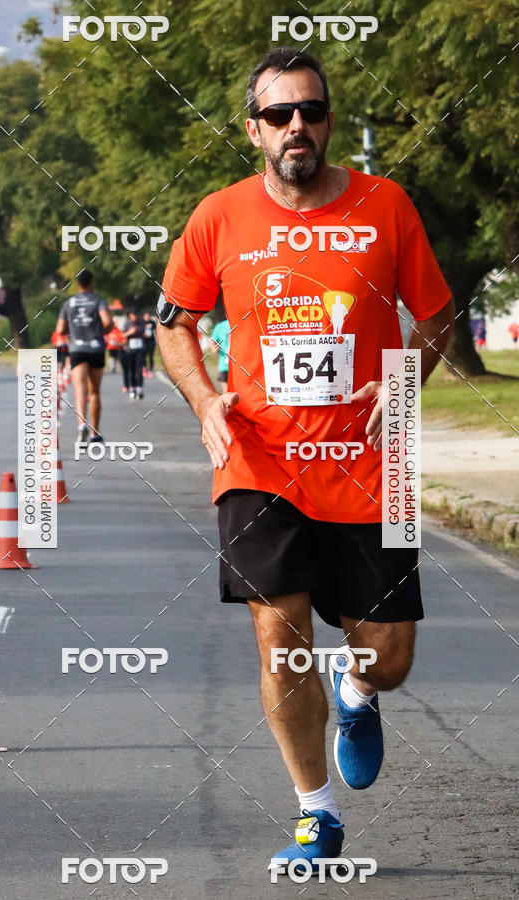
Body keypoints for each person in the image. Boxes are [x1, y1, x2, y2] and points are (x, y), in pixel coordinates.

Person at [156, 47, 455, 875]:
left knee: (389, 657)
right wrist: (205, 399)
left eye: (311, 112)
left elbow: (436, 316)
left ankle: (357, 695)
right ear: (254, 130)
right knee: (278, 636)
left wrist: (404, 380)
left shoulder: (385, 206)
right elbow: (175, 324)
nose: (298, 126)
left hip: (372, 463)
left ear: (327, 122)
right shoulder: (218, 216)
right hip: (260, 462)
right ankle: (315, 813)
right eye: (280, 114)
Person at [55, 270, 112, 443]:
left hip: (77, 349)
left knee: (80, 390)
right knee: (94, 392)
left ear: (78, 284)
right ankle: (95, 433)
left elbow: (60, 329)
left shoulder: (69, 303)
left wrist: (71, 330)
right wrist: (101, 331)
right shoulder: (98, 301)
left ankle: (81, 426)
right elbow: (108, 322)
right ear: (91, 282)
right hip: (96, 349)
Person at [123, 307, 145, 400]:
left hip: (139, 349)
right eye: (133, 315)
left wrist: (137, 331)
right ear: (130, 316)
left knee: (138, 369)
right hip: (129, 350)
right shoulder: (127, 323)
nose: (134, 317)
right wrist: (130, 332)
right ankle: (132, 389)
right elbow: (122, 335)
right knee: (131, 370)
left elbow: (143, 332)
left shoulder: (141, 322)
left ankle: (139, 388)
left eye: (136, 315)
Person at [210, 318, 231, 393]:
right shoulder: (220, 326)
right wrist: (214, 348)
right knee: (226, 391)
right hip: (224, 365)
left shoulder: (240, 323)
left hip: (238, 364)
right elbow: (212, 342)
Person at [143, 311, 157, 377]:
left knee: (151, 356)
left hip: (151, 341)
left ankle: (151, 371)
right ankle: (144, 369)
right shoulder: (142, 322)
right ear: (144, 317)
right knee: (143, 356)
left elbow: (155, 330)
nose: (147, 317)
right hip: (144, 341)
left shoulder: (152, 322)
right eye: (145, 316)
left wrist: (157, 339)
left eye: (148, 316)